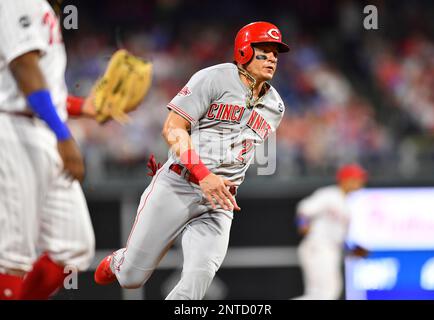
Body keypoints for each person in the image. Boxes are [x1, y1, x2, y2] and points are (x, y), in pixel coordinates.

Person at [94, 21, 290, 299]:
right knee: (131, 278)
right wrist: (202, 173)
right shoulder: (213, 78)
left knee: (198, 279)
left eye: (276, 53)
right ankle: (120, 261)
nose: (272, 58)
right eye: (265, 50)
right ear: (245, 50)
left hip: (219, 199)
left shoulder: (276, 106)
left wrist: (220, 179)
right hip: (179, 183)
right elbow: (172, 128)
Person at [0, 0, 95, 300]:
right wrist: (64, 135)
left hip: (39, 128)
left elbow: (45, 90)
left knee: (73, 247)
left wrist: (88, 108)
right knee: (13, 256)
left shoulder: (41, 7)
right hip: (16, 130)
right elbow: (23, 67)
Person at [293, 164, 369, 300]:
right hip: (317, 245)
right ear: (346, 179)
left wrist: (352, 250)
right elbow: (304, 209)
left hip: (329, 249)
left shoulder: (347, 206)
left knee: (320, 293)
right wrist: (303, 224)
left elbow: (337, 239)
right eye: (357, 178)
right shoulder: (329, 194)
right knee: (327, 292)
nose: (361, 182)